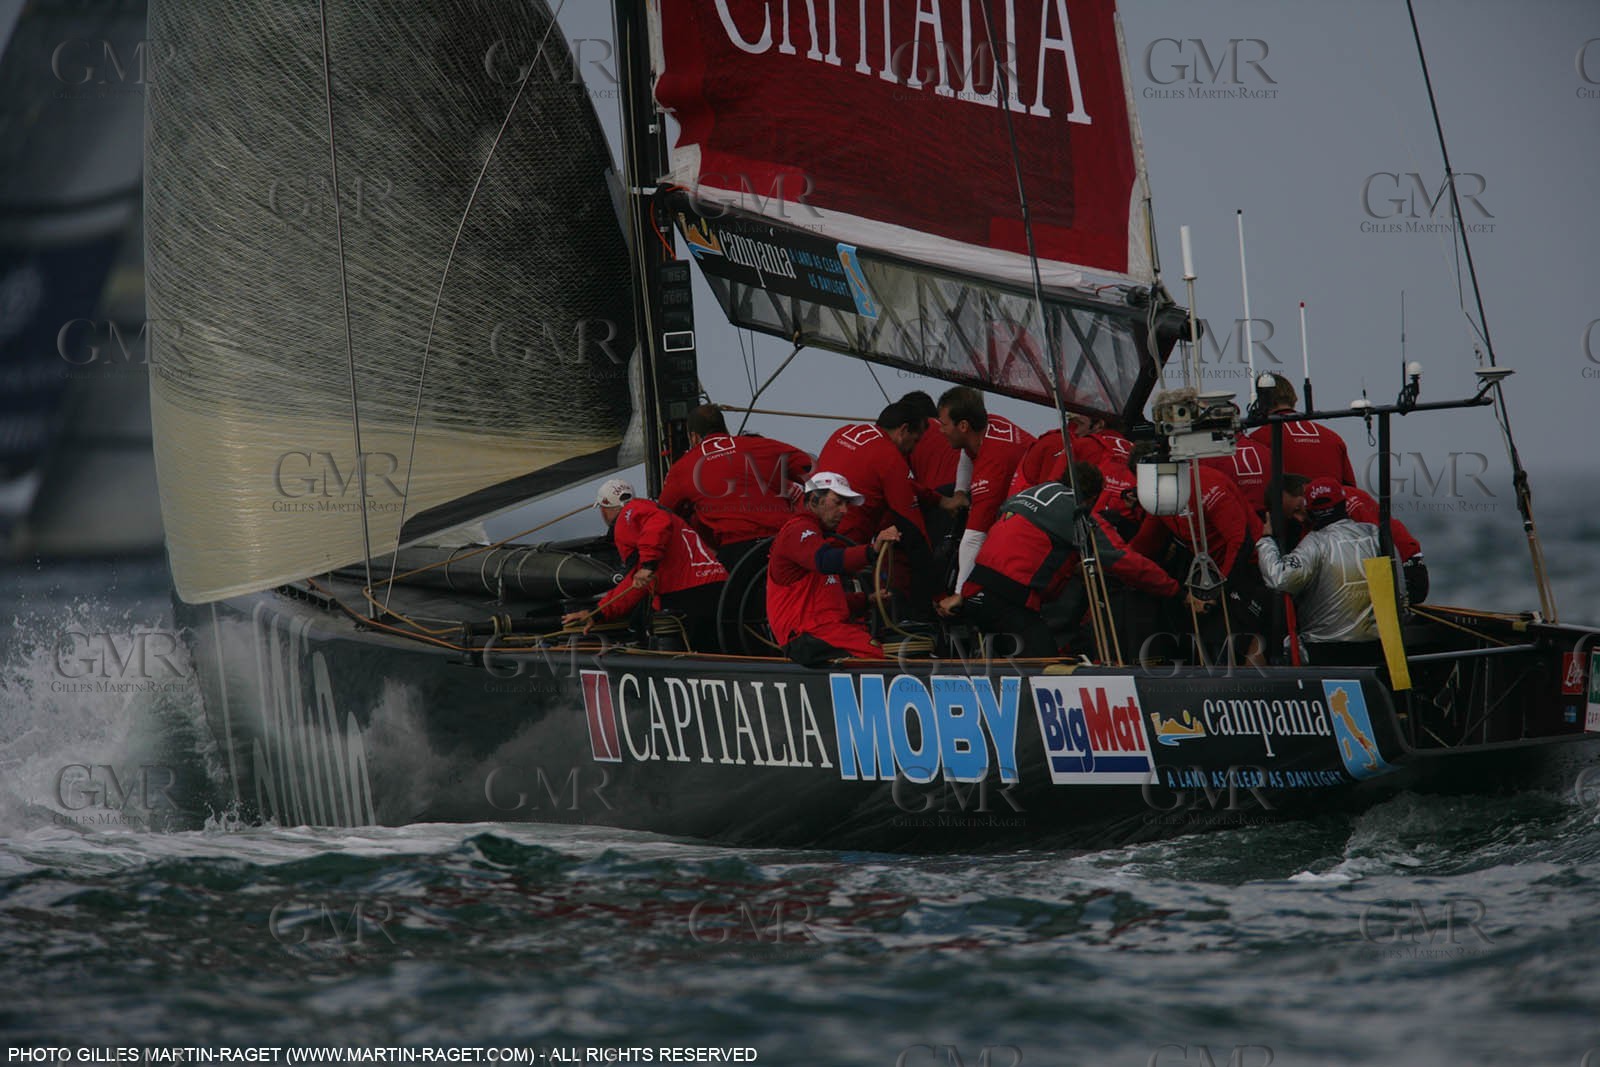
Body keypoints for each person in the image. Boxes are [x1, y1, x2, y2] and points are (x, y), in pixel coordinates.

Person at [562, 479, 728, 651]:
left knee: (689, 659)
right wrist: (598, 613)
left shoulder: (631, 512)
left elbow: (657, 520)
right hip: (717, 588)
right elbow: (635, 583)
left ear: (605, 507)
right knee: (714, 655)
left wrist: (648, 564)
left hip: (685, 594)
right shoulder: (654, 515)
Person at [816, 400, 939, 612]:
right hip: (846, 548)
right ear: (903, 430)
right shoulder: (891, 459)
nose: (913, 449)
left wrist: (936, 498)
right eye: (915, 440)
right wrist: (936, 591)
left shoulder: (843, 432)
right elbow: (914, 529)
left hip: (814, 534)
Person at [767, 472, 901, 665]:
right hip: (807, 636)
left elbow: (823, 602)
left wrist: (867, 600)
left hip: (820, 631)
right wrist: (872, 550)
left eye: (846, 504)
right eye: (837, 502)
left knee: (886, 646)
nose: (845, 511)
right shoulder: (798, 530)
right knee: (876, 653)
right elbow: (825, 561)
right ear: (814, 500)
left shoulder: (817, 539)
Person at [658, 403, 813, 570]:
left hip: (737, 554)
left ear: (694, 437)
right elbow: (813, 469)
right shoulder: (764, 446)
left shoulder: (682, 468)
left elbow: (662, 515)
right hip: (784, 542)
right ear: (725, 428)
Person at [1256, 477, 1388, 665]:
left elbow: (1280, 578)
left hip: (1325, 648)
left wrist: (1266, 541)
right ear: (1343, 503)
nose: (1299, 519)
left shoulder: (1313, 544)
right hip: (1377, 645)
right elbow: (1398, 588)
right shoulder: (1376, 535)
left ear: (1310, 508)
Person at [936, 386, 1036, 591]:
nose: (941, 430)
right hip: (1024, 497)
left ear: (963, 426)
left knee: (978, 537)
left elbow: (974, 537)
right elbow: (967, 452)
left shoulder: (993, 462)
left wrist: (959, 596)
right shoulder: (984, 426)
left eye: (944, 424)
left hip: (1034, 520)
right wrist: (960, 492)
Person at [1278, 473, 1428, 604]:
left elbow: (1378, 548)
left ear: (1307, 493)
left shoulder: (1348, 504)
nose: (1299, 518)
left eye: (1298, 509)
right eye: (1292, 516)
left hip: (1406, 566)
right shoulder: (1314, 519)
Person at [1246, 373, 1357, 486]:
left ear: (1260, 401)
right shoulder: (1333, 438)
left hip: (1288, 502)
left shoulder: (1257, 439)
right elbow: (1351, 489)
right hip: (1331, 502)